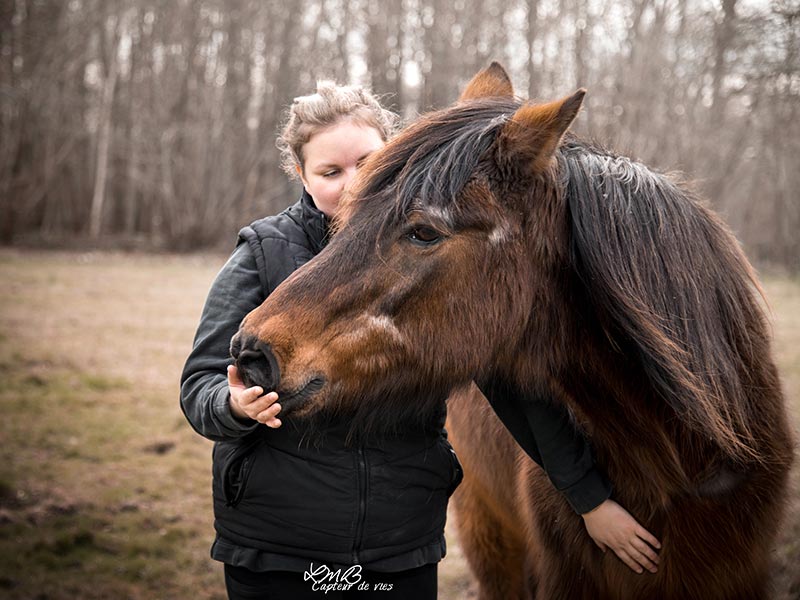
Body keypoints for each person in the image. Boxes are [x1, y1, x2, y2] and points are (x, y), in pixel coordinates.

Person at [180, 81, 660, 600]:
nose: (352, 183)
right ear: (302, 175)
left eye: (367, 162)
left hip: (398, 542)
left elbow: (517, 394)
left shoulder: (433, 259)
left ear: (397, 155)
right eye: (329, 172)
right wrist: (232, 405)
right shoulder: (263, 254)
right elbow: (201, 381)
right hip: (281, 544)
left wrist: (588, 500)